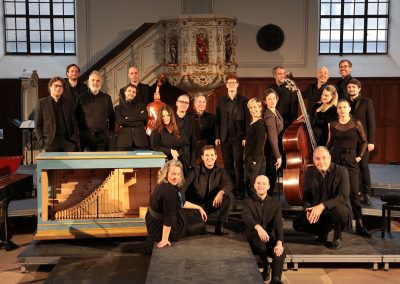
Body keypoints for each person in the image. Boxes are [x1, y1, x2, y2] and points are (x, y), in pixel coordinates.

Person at [293, 147, 353, 250]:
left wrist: (322, 206)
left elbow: (343, 196)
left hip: (336, 209)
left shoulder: (342, 171)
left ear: (329, 158)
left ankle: (337, 237)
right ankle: (322, 232)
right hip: (319, 212)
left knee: (339, 211)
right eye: (317, 158)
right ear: (313, 160)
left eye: (324, 158)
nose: (321, 161)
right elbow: (306, 196)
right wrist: (307, 209)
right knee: (298, 223)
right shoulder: (310, 173)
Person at [327, 100, 371, 237]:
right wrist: (325, 158)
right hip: (336, 160)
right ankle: (333, 224)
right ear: (337, 110)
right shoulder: (332, 124)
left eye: (344, 107)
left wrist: (359, 157)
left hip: (351, 160)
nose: (342, 109)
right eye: (339, 107)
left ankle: (360, 225)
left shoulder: (356, 123)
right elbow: (329, 143)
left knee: (354, 194)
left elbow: (364, 141)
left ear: (349, 108)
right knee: (335, 192)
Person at [144, 160, 207, 253]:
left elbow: (180, 202)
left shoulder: (164, 183)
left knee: (194, 214)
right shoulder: (170, 191)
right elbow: (168, 218)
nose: (176, 177)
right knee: (201, 225)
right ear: (166, 173)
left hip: (152, 221)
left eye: (178, 174)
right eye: (173, 174)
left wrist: (199, 207)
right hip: (159, 227)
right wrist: (165, 239)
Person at [242, 175, 285, 283]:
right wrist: (258, 227)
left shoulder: (275, 203)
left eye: (264, 183)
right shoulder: (248, 201)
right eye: (259, 183)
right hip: (253, 237)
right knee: (259, 242)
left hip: (269, 238)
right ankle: (266, 266)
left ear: (269, 186)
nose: (261, 186)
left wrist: (279, 243)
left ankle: (276, 279)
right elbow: (246, 217)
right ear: (254, 185)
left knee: (280, 252)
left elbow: (278, 224)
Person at [183, 145, 233, 235]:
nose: (209, 158)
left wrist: (221, 192)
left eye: (211, 155)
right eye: (206, 155)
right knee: (199, 230)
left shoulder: (220, 170)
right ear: (202, 157)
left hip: (210, 204)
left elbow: (229, 184)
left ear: (216, 156)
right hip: (195, 207)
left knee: (228, 196)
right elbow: (183, 188)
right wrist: (183, 203)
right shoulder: (195, 170)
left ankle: (220, 224)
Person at [215, 75, 249, 198]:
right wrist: (217, 136)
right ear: (226, 85)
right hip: (225, 137)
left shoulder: (244, 100)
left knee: (238, 165)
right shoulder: (221, 101)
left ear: (237, 85)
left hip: (239, 138)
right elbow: (218, 121)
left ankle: (240, 190)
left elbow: (247, 120)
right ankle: (232, 189)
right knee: (228, 165)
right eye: (229, 82)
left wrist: (245, 136)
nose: (231, 84)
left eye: (234, 82)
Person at [347, 79, 376, 205]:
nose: (351, 89)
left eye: (354, 87)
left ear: (359, 88)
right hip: (349, 140)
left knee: (363, 166)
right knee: (353, 167)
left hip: (363, 141)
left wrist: (371, 141)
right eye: (349, 87)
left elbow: (371, 123)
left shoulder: (367, 102)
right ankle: (356, 191)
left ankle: (366, 193)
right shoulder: (344, 102)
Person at [35, 77, 79, 152]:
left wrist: (74, 139)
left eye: (60, 86)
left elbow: (74, 123)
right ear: (50, 87)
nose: (58, 88)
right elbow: (38, 125)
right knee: (51, 164)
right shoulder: (42, 103)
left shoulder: (68, 103)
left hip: (67, 142)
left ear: (63, 89)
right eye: (55, 86)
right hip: (50, 143)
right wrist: (42, 142)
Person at [76, 71, 115, 151]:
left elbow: (111, 116)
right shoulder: (81, 98)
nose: (95, 83)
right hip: (86, 136)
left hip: (103, 137)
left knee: (102, 161)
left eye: (98, 81)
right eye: (93, 80)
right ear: (88, 82)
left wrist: (111, 132)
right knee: (87, 161)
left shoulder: (106, 98)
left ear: (101, 83)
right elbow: (76, 116)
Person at [114, 84, 149, 151]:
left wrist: (128, 118)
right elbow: (120, 121)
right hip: (124, 142)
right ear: (125, 92)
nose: (131, 93)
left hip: (141, 141)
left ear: (135, 94)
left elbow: (144, 116)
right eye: (129, 91)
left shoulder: (142, 105)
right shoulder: (118, 108)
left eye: (133, 92)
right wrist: (137, 122)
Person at [263, 89, 284, 195]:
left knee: (272, 175)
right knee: (270, 175)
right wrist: (278, 156)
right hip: (272, 149)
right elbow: (272, 137)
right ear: (265, 101)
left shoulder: (275, 111)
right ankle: (266, 198)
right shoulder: (269, 115)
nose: (272, 101)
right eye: (269, 99)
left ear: (277, 99)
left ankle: (268, 197)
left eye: (274, 98)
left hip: (275, 148)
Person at [244, 98, 266, 197]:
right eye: (251, 108)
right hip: (249, 157)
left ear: (260, 108)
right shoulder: (251, 122)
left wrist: (254, 159)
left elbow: (260, 143)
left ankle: (258, 207)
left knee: (253, 185)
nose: (253, 109)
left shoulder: (260, 123)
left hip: (255, 158)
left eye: (255, 107)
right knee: (248, 183)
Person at [175, 94, 196, 175]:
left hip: (186, 157)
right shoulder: (169, 118)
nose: (184, 104)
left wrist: (192, 162)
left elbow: (193, 143)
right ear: (177, 103)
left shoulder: (191, 121)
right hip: (173, 156)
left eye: (186, 103)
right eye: (181, 102)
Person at [193, 93, 215, 161]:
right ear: (195, 103)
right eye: (199, 102)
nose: (202, 104)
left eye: (204, 102)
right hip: (193, 149)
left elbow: (214, 135)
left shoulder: (211, 117)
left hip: (207, 149)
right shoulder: (189, 117)